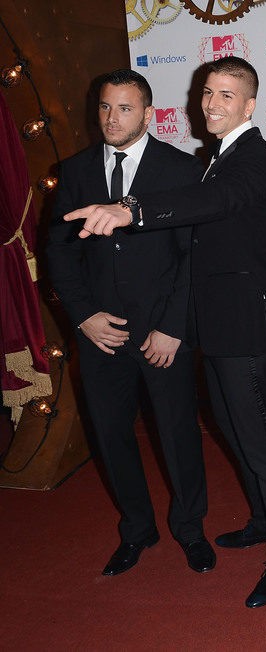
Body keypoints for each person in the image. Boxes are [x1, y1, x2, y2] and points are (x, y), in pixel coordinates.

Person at [64, 56, 266, 607]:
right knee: (234, 431)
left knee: (264, 442)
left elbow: (214, 203)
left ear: (250, 105)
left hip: (245, 326)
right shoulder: (219, 157)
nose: (211, 103)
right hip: (215, 328)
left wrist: (131, 210)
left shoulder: (253, 156)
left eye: (226, 95)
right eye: (206, 92)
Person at [46, 69, 213, 577]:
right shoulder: (73, 171)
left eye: (123, 108)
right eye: (104, 107)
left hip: (163, 333)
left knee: (178, 433)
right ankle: (137, 529)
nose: (111, 118)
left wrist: (174, 326)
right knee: (112, 434)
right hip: (100, 335)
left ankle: (190, 529)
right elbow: (58, 252)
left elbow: (194, 258)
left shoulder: (183, 170)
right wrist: (84, 317)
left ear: (148, 112)